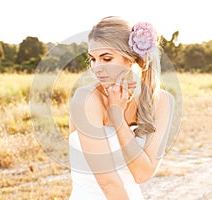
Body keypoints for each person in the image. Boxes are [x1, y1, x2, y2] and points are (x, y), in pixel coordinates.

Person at [68, 16, 174, 200]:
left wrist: (117, 118)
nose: (96, 68)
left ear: (131, 59)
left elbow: (142, 175)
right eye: (93, 59)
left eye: (106, 58)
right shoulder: (86, 99)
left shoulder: (162, 101)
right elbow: (107, 183)